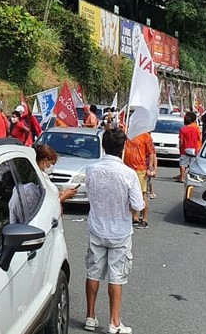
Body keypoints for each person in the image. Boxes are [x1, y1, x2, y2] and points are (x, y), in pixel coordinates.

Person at [83, 129, 144, 334]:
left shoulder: (91, 169)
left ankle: (90, 316)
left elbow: (89, 193)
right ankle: (114, 322)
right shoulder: (128, 174)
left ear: (103, 146)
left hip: (97, 226)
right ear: (123, 147)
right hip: (119, 230)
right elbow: (138, 205)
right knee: (116, 277)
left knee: (93, 273)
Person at [123, 130, 157, 228]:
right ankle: (135, 217)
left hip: (140, 169)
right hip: (127, 168)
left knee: (142, 194)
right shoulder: (127, 133)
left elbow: (152, 153)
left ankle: (145, 218)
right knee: (129, 194)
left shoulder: (146, 136)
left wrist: (151, 168)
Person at [176, 111, 202, 182]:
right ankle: (191, 178)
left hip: (185, 149)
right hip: (194, 149)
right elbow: (199, 138)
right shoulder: (196, 129)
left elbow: (181, 141)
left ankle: (182, 177)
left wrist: (180, 147)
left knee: (182, 164)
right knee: (192, 164)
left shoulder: (183, 129)